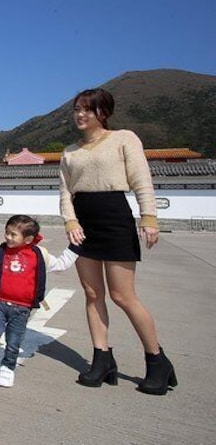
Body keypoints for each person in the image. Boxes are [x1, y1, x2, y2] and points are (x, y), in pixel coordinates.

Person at [60, 88, 177, 395]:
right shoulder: (70, 151)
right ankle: (102, 358)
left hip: (114, 217)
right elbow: (64, 192)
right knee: (91, 292)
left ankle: (156, 360)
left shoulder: (124, 138)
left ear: (103, 113)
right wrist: (70, 221)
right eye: (77, 109)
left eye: (87, 109)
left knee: (123, 295)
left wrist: (149, 217)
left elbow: (141, 179)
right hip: (83, 222)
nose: (80, 114)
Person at [0, 215, 78, 387]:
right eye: (7, 232)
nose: (8, 237)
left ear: (29, 239)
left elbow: (61, 264)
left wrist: (75, 248)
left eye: (13, 234)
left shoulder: (40, 255)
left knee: (14, 341)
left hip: (22, 309)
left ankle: (8, 368)